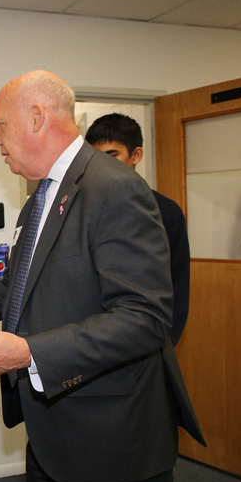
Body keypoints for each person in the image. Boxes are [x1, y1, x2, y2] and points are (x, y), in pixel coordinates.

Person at [0, 71, 205, 482]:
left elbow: (145, 318)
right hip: (51, 436)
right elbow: (13, 291)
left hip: (111, 443)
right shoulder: (39, 199)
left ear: (37, 117)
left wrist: (29, 354)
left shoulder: (115, 188)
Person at [85, 113, 190, 346]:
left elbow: (177, 289)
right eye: (95, 159)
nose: (102, 167)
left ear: (136, 155)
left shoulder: (166, 211)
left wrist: (163, 349)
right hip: (96, 342)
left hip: (148, 343)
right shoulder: (83, 208)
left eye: (112, 157)